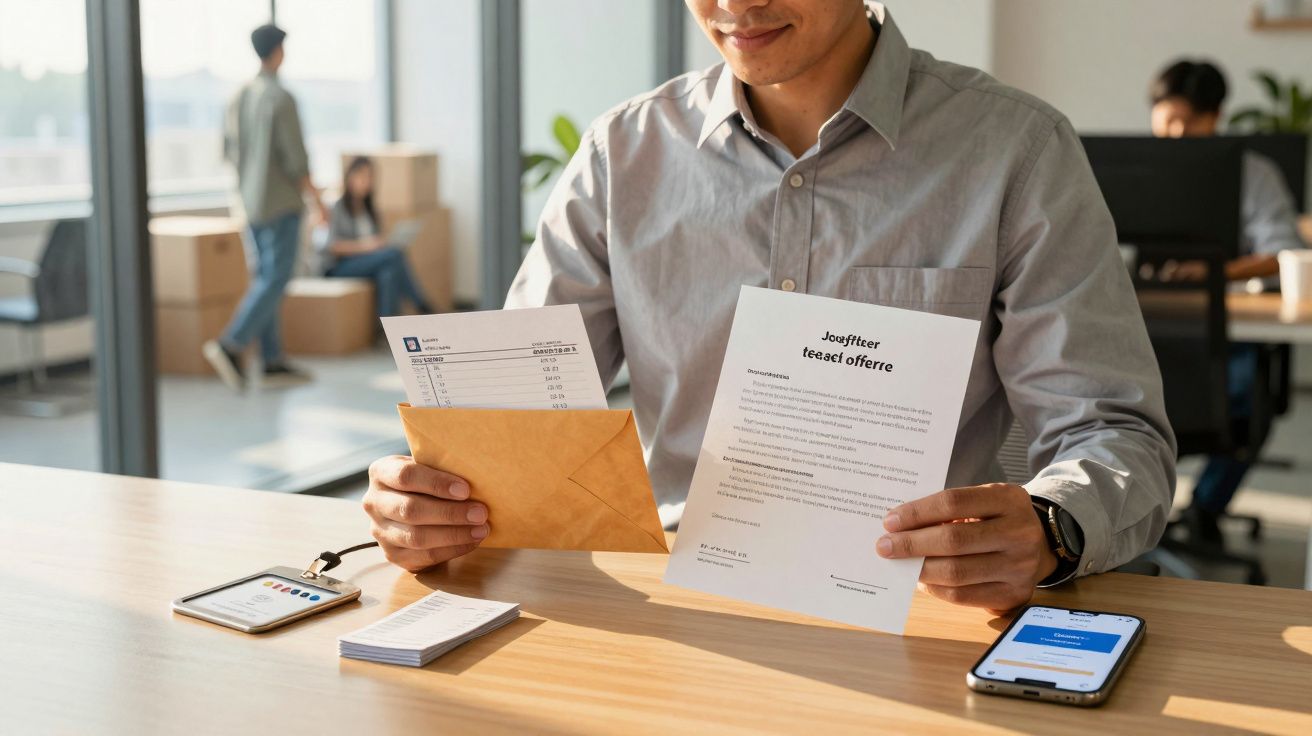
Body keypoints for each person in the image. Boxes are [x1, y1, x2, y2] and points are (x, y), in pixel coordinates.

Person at [362, 1, 1177, 613]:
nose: (736, 3)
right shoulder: (624, 155)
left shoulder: (1014, 150)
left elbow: (1114, 430)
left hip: (917, 604)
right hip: (676, 597)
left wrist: (1052, 524)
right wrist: (430, 505)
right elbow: (509, 426)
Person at [1148, 58, 1308, 546]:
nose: (1175, 134)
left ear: (1215, 118)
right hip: (1142, 326)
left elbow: (1286, 253)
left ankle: (1204, 511)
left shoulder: (1251, 174)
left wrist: (1214, 271)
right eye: (1166, 120)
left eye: (1187, 122)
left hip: (1225, 329)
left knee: (1243, 391)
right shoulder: (1136, 170)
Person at [204, 23, 328, 391]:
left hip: (248, 203)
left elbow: (227, 152)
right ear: (278, 51)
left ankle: (272, 361)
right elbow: (296, 161)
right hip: (280, 204)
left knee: (266, 279)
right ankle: (231, 343)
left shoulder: (237, 97)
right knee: (276, 279)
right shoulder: (280, 98)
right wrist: (319, 202)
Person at [321, 157, 433, 317]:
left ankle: (387, 329)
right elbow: (333, 246)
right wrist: (367, 246)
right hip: (341, 267)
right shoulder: (337, 207)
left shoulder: (370, 209)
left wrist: (382, 243)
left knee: (388, 273)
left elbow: (377, 241)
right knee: (395, 254)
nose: (365, 182)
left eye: (369, 177)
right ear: (350, 177)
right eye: (361, 176)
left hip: (369, 263)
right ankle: (421, 305)